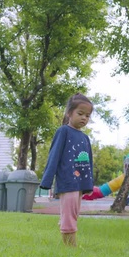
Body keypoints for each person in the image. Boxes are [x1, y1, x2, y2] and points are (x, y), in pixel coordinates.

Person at [40, 93, 94, 247]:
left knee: (73, 213)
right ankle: (70, 247)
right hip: (67, 180)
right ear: (69, 113)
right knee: (69, 213)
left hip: (79, 183)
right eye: (80, 113)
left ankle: (68, 238)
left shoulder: (85, 138)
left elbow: (89, 162)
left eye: (87, 116)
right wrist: (47, 181)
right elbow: (54, 155)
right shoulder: (63, 131)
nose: (84, 118)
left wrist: (88, 184)